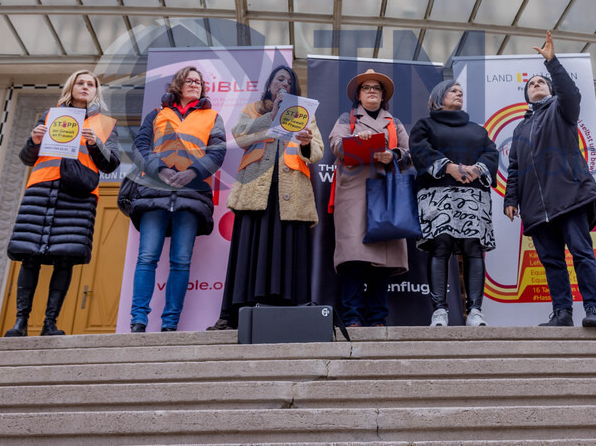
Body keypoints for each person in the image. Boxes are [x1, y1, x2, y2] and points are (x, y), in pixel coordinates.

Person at [207, 65, 323, 330]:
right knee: (249, 250)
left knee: (287, 249)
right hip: (255, 190)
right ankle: (234, 313)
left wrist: (305, 141)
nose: (284, 83)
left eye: (289, 80)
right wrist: (271, 115)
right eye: (279, 79)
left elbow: (316, 152)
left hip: (291, 192)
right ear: (270, 84)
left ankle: (288, 312)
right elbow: (241, 135)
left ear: (295, 88)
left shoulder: (306, 115)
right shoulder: (252, 109)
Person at [5, 70, 120, 336]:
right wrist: (34, 141)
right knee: (29, 256)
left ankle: (50, 323)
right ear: (71, 87)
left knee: (64, 258)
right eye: (80, 82)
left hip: (78, 193)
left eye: (91, 84)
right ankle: (20, 323)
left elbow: (111, 163)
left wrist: (95, 145)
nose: (85, 87)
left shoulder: (104, 123)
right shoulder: (50, 115)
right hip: (42, 187)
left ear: (96, 91)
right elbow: (26, 157)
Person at [504, 30, 596, 328]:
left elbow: (571, 93)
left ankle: (593, 309)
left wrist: (552, 64)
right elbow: (514, 169)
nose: (536, 85)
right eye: (531, 84)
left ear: (549, 90)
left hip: (570, 196)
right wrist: (511, 199)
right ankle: (562, 314)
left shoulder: (562, 109)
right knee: (552, 263)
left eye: (540, 83)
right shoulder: (519, 131)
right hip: (535, 207)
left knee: (582, 254)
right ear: (526, 95)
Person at [128, 66, 226, 333]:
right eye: (190, 80)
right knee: (147, 258)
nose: (195, 84)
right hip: (154, 191)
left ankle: (170, 323)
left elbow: (217, 152)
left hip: (191, 194)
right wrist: (160, 169)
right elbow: (140, 147)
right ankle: (138, 320)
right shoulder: (157, 114)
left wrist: (193, 172)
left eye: (199, 81)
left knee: (181, 261)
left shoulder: (212, 116)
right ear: (178, 84)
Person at [410, 80, 498, 327]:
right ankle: (439, 311)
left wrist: (477, 170)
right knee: (441, 247)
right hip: (438, 194)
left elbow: (491, 153)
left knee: (473, 248)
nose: (459, 94)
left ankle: (475, 312)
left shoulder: (478, 130)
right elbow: (419, 149)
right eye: (453, 91)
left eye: (461, 92)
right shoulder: (425, 125)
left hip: (473, 194)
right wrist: (450, 167)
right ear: (439, 97)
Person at [329, 69, 411, 327]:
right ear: (359, 95)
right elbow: (335, 145)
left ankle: (377, 318)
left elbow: (410, 154)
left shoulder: (394, 122)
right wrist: (356, 140)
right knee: (354, 257)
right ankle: (352, 317)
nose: (372, 91)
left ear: (383, 95)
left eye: (376, 87)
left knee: (382, 262)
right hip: (354, 191)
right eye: (366, 88)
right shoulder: (347, 118)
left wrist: (393, 155)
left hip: (386, 192)